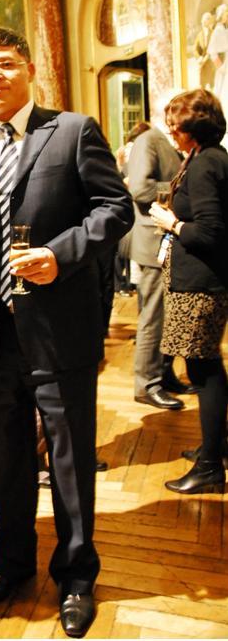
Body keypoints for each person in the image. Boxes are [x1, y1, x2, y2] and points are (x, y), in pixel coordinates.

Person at [0, 26, 133, 638]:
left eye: (5, 64)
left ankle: (77, 576)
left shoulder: (73, 130)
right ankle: (12, 565)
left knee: (69, 460)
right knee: (4, 460)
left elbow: (116, 208)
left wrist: (61, 253)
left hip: (61, 331)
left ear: (29, 69)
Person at [150, 88, 227, 495]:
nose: (171, 131)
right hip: (197, 279)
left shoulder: (206, 162)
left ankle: (211, 466)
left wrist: (172, 224)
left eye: (176, 124)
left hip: (200, 284)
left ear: (195, 125)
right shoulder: (204, 157)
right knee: (204, 367)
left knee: (203, 370)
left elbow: (212, 232)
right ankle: (216, 448)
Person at [127, 125, 192, 406]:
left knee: (167, 316)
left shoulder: (165, 141)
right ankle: (146, 383)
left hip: (166, 241)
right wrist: (180, 188)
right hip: (153, 240)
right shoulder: (149, 139)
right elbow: (140, 188)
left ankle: (164, 375)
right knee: (153, 317)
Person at [193, 11, 216, 90]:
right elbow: (195, 49)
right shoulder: (199, 35)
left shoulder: (214, 34)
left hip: (211, 65)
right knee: (202, 87)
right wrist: (199, 58)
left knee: (212, 87)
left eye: (208, 19)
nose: (205, 21)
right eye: (205, 19)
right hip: (202, 66)